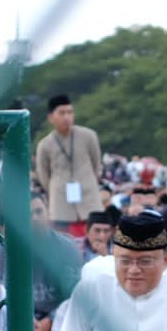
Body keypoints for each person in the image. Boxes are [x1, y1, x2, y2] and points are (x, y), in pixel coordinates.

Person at [33, 93, 104, 233]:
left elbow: (96, 164)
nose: (67, 117)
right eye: (62, 113)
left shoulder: (89, 136)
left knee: (94, 231)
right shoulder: (45, 144)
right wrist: (56, 187)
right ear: (51, 117)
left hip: (89, 196)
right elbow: (43, 174)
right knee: (64, 238)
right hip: (60, 200)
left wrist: (88, 180)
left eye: (70, 112)